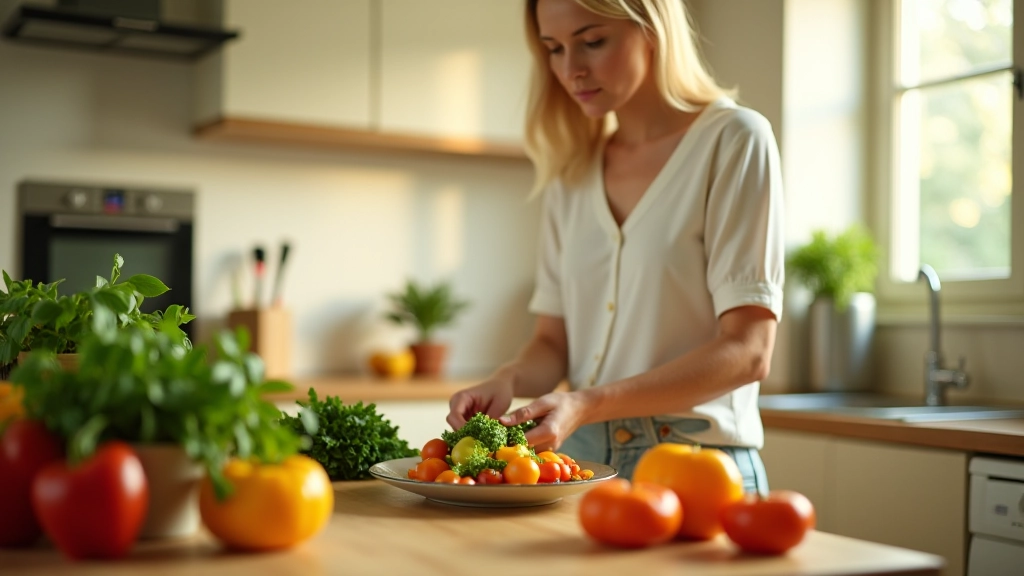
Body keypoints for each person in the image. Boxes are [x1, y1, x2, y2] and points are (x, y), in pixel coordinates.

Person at [446, 0, 784, 493]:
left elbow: (748, 350)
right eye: (554, 49)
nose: (571, 70)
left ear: (652, 29)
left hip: (698, 467)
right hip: (581, 466)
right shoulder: (571, 170)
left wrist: (587, 403)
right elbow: (553, 343)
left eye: (592, 41)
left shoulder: (733, 140)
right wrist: (508, 379)